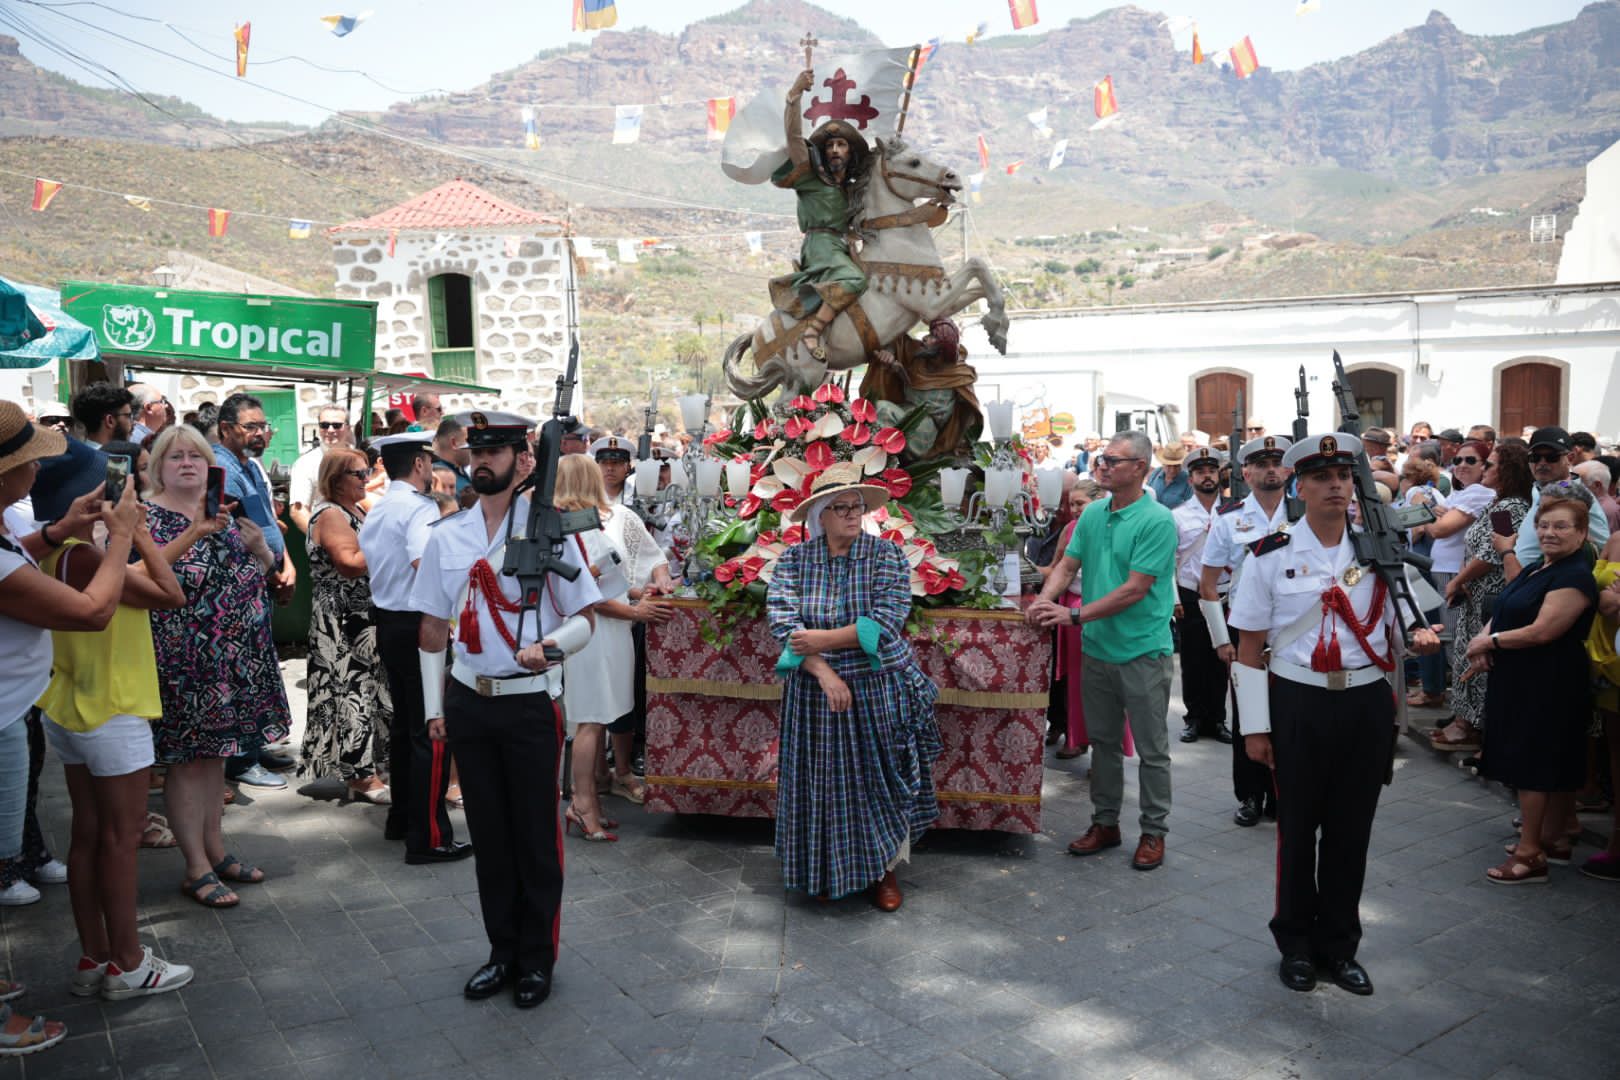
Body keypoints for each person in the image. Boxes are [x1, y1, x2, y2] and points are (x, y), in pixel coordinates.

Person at [1227, 432, 1443, 995]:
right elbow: (1249, 648)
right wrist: (1255, 728)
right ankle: (1295, 943)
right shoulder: (1269, 555)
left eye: (1343, 477)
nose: (1335, 487)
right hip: (1298, 700)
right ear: (1300, 486)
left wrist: (1419, 639)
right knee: (1298, 831)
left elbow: (1404, 625)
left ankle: (1340, 947)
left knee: (1352, 831)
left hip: (1365, 702)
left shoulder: (1381, 552)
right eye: (1322, 478)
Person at [411, 410, 601, 1009]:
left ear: (523, 462)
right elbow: (432, 627)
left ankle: (537, 959)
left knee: (536, 837)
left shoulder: (551, 530)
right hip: (469, 700)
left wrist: (549, 647)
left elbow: (586, 619)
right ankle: (501, 952)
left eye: (497, 451)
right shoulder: (447, 535)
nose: (483, 461)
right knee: (490, 837)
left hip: (527, 706)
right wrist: (432, 707)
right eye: (476, 452)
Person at [31, 440, 201, 1001]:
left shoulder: (52, 553)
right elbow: (168, 594)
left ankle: (94, 956)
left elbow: (135, 578)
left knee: (87, 836)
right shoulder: (86, 556)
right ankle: (128, 963)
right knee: (120, 839)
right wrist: (138, 532)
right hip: (115, 709)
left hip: (71, 705)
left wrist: (174, 535)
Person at [766, 463, 941, 909]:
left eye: (856, 507)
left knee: (879, 782)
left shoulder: (886, 556)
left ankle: (885, 870)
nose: (850, 515)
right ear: (819, 516)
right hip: (814, 689)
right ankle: (825, 870)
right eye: (839, 507)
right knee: (820, 784)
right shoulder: (794, 559)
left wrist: (818, 638)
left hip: (877, 685)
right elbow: (784, 623)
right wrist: (824, 671)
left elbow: (884, 623)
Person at [145, 424, 288, 908]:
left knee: (215, 762)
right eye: (174, 456)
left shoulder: (222, 515)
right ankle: (196, 867)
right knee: (188, 764)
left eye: (195, 456)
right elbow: (142, 580)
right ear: (156, 467)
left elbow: (252, 577)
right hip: (182, 661)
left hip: (230, 661)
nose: (186, 463)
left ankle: (215, 851)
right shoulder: (146, 518)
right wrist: (195, 535)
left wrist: (261, 552)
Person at [1030, 431, 1178, 872]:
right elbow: (1067, 565)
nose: (1104, 466)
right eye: (1102, 459)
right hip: (1097, 650)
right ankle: (1106, 823)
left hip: (1142, 650)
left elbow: (1135, 589)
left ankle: (1154, 830)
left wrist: (1075, 617)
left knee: (1152, 750)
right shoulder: (1093, 514)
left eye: (1115, 460)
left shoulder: (1157, 520)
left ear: (1141, 468)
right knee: (1104, 745)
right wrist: (1047, 600)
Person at [1467, 488, 1598, 884]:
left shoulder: (1574, 575)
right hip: (1522, 676)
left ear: (1581, 533)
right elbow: (1507, 606)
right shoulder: (1537, 567)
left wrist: (1489, 642)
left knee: (1535, 764)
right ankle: (1553, 838)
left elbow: (1544, 631)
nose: (1549, 533)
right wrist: (1483, 642)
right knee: (1542, 759)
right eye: (1543, 525)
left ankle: (1529, 854)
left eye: (1561, 526)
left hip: (1550, 680)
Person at [358, 433, 470, 865]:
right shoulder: (418, 510)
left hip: (391, 621)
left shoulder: (382, 506)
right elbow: (428, 566)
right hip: (421, 624)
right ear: (421, 465)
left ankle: (403, 819)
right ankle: (429, 835)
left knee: (408, 728)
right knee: (431, 731)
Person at [555, 456, 674, 840]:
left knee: (598, 719)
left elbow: (608, 581)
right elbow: (588, 597)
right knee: (590, 722)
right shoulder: (578, 529)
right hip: (596, 633)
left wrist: (634, 597)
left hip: (605, 631)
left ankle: (591, 800)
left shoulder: (578, 523)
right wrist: (636, 612)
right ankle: (582, 803)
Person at [1200, 435, 1293, 827]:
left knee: (1291, 712)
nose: (1270, 469)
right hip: (1246, 628)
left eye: (1277, 462)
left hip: (1295, 629)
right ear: (1245, 472)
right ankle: (1252, 795)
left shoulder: (1308, 512)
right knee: (1248, 712)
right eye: (1261, 463)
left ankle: (1285, 793)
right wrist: (1222, 640)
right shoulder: (1229, 519)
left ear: (1289, 469)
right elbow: (1207, 585)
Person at [298, 448, 393, 804]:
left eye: (366, 470)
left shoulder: (353, 508)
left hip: (359, 617)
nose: (366, 478)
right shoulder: (331, 514)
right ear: (336, 478)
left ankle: (365, 767)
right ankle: (360, 777)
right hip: (341, 620)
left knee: (364, 690)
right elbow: (350, 563)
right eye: (358, 473)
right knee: (350, 692)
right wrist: (389, 545)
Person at [212, 394, 295, 789]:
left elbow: (268, 525)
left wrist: (283, 564)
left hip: (261, 577)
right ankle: (242, 761)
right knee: (242, 673)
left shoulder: (247, 464)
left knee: (258, 670)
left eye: (264, 426)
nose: (261, 433)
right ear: (226, 429)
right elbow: (240, 533)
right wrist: (271, 567)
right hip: (241, 582)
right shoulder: (222, 467)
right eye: (251, 426)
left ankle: (254, 746)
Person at [1437, 443, 1533, 753]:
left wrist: (1458, 581)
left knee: (1479, 659)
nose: (1486, 469)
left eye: (1491, 465)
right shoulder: (1497, 503)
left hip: (1488, 596)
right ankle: (1466, 720)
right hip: (1475, 593)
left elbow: (1493, 553)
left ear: (1507, 471)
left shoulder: (1509, 508)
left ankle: (1475, 725)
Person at [774, 69, 873, 359]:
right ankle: (813, 330)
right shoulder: (811, 178)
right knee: (855, 281)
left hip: (842, 247)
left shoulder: (851, 190)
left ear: (850, 152)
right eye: (829, 145)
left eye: (841, 144)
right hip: (820, 247)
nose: (834, 150)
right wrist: (795, 95)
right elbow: (794, 139)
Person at [1409, 442, 1493, 718]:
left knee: (1455, 642)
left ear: (1486, 465)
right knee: (1448, 639)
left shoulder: (1481, 492)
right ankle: (1460, 711)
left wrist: (1431, 513)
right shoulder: (1463, 492)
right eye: (1458, 459)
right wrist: (1435, 514)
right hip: (1443, 569)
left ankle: (1463, 714)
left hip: (1455, 573)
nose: (1462, 465)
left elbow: (1439, 530)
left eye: (1472, 460)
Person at [1036, 479, 1111, 760]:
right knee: (1075, 682)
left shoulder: (1111, 528)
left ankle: (1103, 752)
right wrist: (1024, 566)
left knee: (1101, 684)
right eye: (1071, 504)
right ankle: (1078, 738)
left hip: (1100, 609)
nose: (1075, 509)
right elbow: (1057, 570)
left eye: (1080, 503)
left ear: (1099, 500)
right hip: (1070, 610)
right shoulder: (1069, 529)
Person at [1171, 447, 1231, 744]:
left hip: (1224, 593)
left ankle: (1218, 718)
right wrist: (1175, 599)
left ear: (1219, 474)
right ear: (1191, 478)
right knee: (1194, 658)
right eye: (1199, 472)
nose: (1206, 476)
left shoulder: (1235, 511)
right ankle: (1194, 718)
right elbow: (1169, 560)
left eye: (1211, 470)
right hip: (1191, 593)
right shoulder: (1178, 516)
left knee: (1222, 657)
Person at [860, 319, 983, 460]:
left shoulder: (959, 373)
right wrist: (889, 355)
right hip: (904, 410)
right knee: (872, 409)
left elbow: (969, 411)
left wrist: (962, 443)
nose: (925, 338)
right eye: (929, 334)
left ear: (944, 345)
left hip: (924, 428)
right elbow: (897, 339)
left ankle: (882, 457)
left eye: (933, 337)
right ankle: (875, 455)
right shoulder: (920, 357)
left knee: (882, 409)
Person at [1506, 427, 1610, 582]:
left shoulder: (1574, 493)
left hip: (1549, 587)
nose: (1542, 463)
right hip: (1523, 583)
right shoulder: (1541, 488)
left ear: (1570, 457)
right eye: (1535, 457)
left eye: (1551, 457)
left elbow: (1603, 545)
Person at [1583, 528, 1620, 881]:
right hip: (1609, 661)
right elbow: (1603, 600)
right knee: (1616, 752)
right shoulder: (1616, 538)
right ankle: (1617, 844)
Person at [288, 405, 353, 533]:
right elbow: (298, 510)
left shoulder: (360, 458)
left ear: (348, 428)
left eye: (336, 425)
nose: (330, 430)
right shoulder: (305, 463)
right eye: (324, 425)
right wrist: (323, 540)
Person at [1573, 459, 1620, 534]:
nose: (1573, 485)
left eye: (1578, 482)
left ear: (1597, 485)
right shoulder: (1593, 504)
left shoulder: (1606, 510)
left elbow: (1605, 543)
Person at [432, 418, 472, 493]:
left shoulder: (460, 470)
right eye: (469, 440)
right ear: (454, 443)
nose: (473, 447)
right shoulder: (438, 476)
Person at [1147, 444, 1192, 509]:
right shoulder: (1155, 474)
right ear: (1163, 463)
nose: (1172, 470)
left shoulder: (1188, 481)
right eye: (1168, 465)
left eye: (1176, 466)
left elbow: (1189, 507)